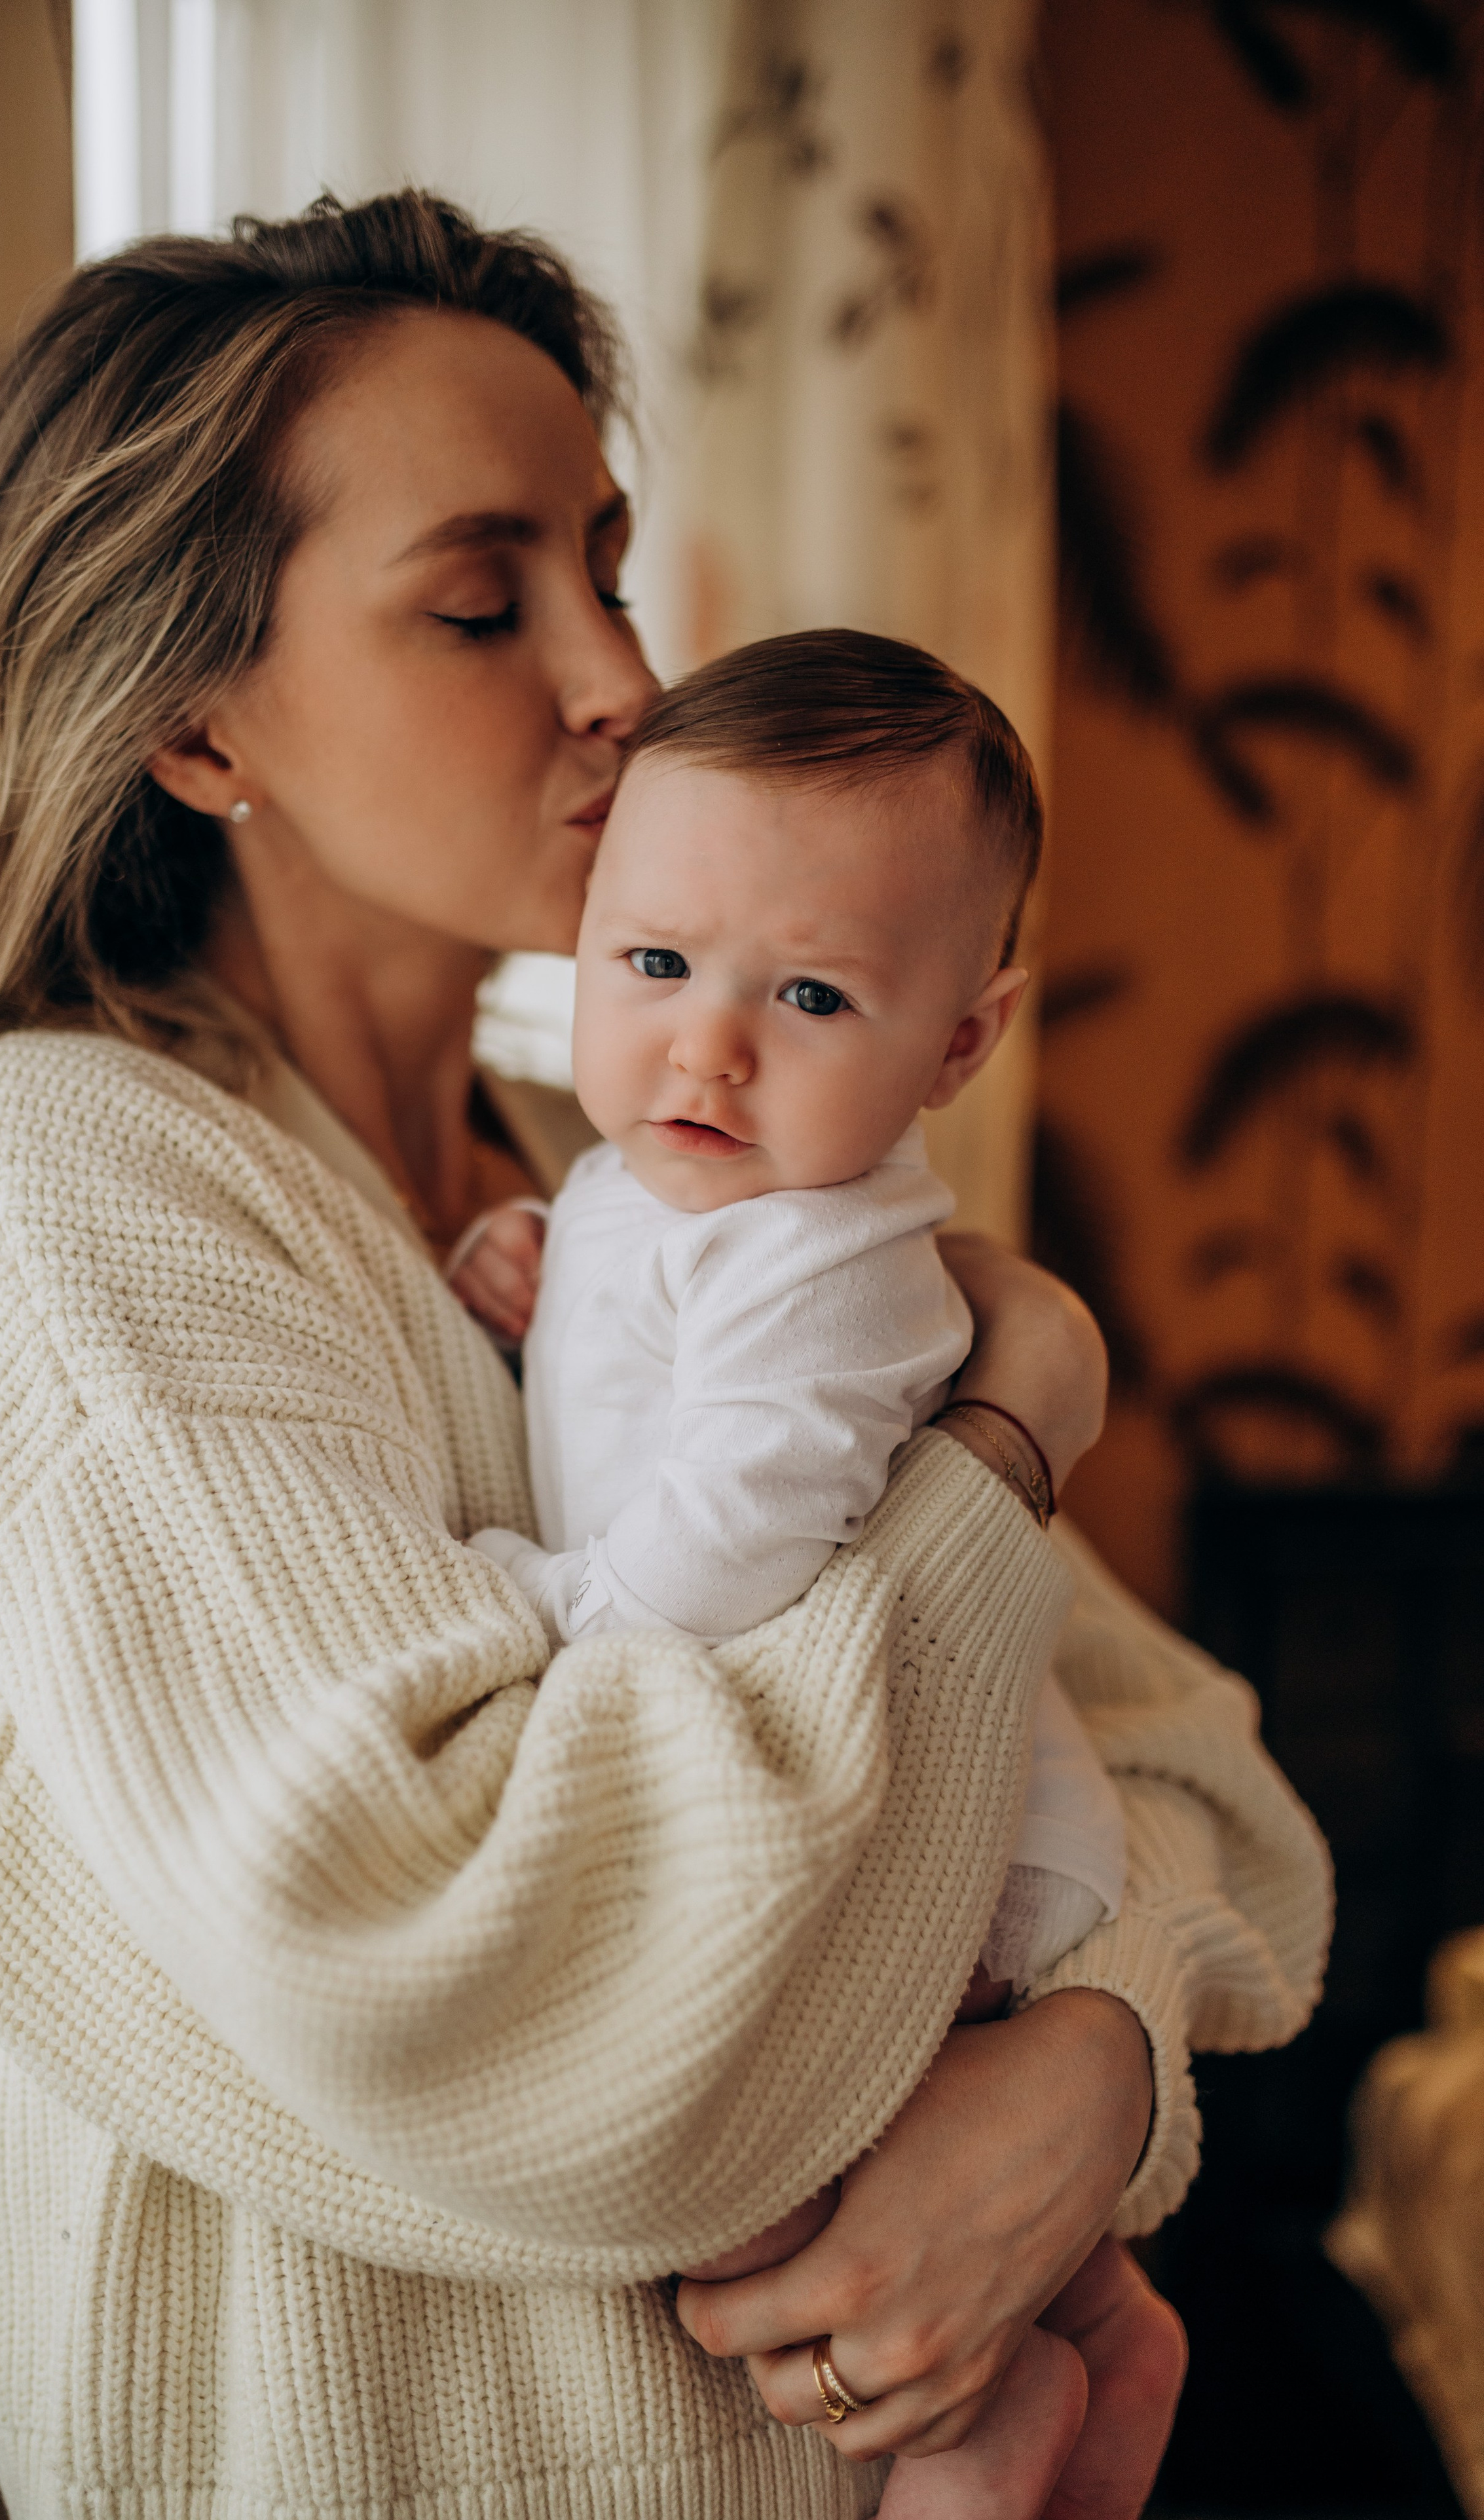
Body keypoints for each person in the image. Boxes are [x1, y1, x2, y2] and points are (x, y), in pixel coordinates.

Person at [0, 191, 1330, 2520]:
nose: (621, 678)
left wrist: (1097, 2069)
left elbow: (1206, 1781)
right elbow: (541, 2011)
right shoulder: (79, 1189)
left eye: (608, 565)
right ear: (201, 726)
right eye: (480, 599)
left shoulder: (641, 1173)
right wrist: (1005, 1429)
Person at [451, 627, 1174, 2518]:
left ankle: (1007, 2409)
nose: (709, 1044)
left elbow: (738, 1533)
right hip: (894, 1813)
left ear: (961, 1041)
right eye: (660, 965)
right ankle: (1091, 2336)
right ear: (590, 933)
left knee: (746, 2141)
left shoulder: (832, 1259)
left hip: (963, 1845)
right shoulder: (655, 1176)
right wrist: (540, 1263)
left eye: (816, 998)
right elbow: (642, 1305)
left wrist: (537, 1611)